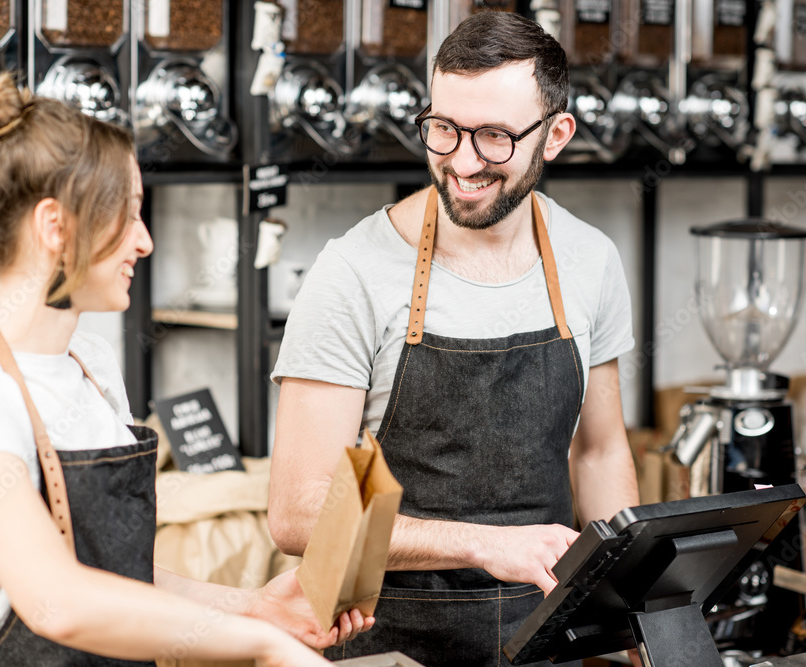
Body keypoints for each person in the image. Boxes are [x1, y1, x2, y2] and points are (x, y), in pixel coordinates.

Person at [0, 74, 372, 667]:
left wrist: (258, 608)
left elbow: (123, 580)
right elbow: (58, 601)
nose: (146, 241)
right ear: (57, 227)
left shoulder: (94, 368)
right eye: (128, 215)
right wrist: (258, 645)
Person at [268, 10, 640, 667]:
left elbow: (600, 454)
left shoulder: (591, 260)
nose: (462, 162)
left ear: (556, 135)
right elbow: (299, 515)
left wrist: (636, 629)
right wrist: (482, 544)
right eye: (444, 129)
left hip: (545, 643)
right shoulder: (353, 272)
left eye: (494, 136)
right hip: (385, 645)